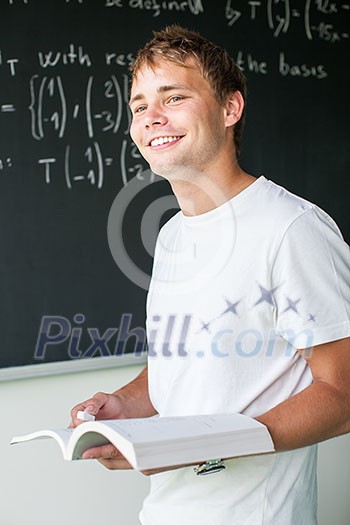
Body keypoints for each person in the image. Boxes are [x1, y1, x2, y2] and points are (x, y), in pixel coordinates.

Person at [70, 25, 350, 524]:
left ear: (229, 109)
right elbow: (185, 363)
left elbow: (343, 394)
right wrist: (124, 405)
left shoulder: (292, 229)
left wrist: (210, 448)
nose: (151, 117)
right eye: (138, 106)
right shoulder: (174, 234)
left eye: (173, 97)